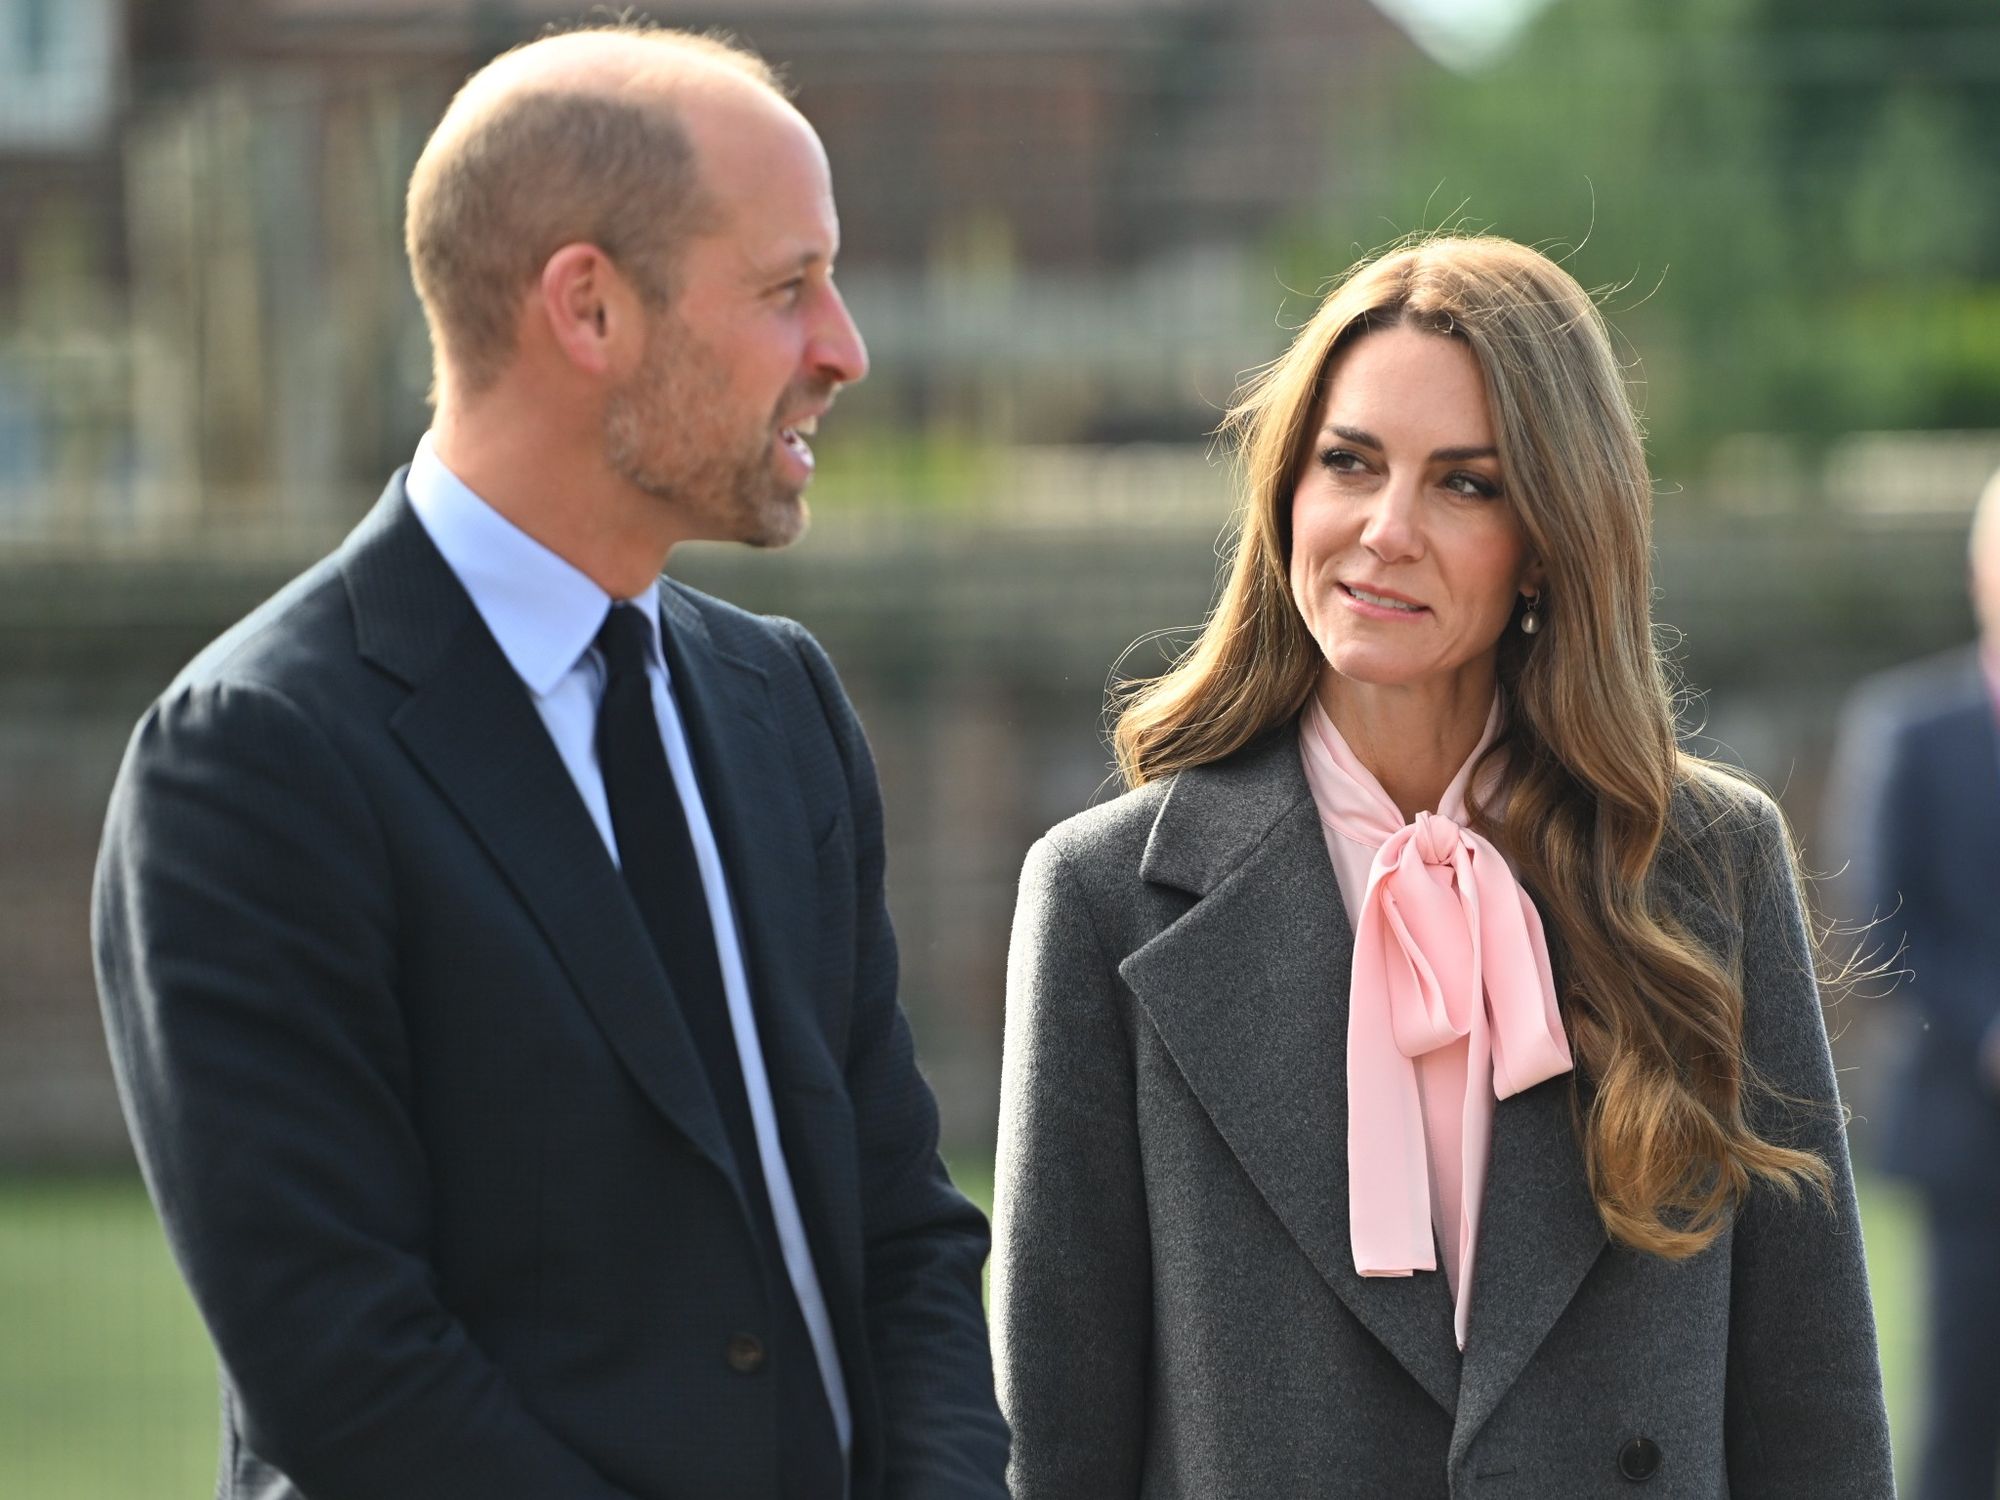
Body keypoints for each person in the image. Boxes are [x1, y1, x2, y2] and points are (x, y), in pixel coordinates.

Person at [92, 24, 1008, 1500]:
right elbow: (348, 1366)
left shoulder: (782, 704)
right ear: (588, 308)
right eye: (788, 289)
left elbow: (901, 1227)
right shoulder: (255, 762)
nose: (845, 347)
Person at [992, 235, 1893, 1497]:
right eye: (1347, 464)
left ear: (1547, 537)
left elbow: (1815, 1412)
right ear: (1284, 493)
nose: (1386, 530)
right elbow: (1057, 1433)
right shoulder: (1104, 895)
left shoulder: (1704, 862)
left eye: (1465, 485)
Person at [1829, 467, 2000, 1500]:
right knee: (1956, 1437)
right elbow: (1881, 929)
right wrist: (1987, 1029)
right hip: (1966, 1149)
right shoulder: (1907, 729)